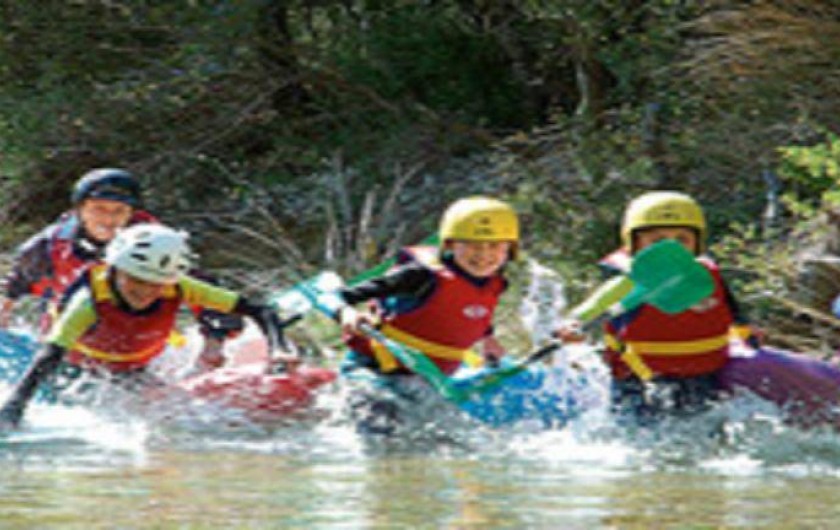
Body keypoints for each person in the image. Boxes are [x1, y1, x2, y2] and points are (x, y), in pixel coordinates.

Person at [0, 223, 291, 428]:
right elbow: (50, 354)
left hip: (136, 371)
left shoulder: (178, 286)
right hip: (79, 374)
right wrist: (14, 407)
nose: (145, 292)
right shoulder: (88, 301)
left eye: (156, 284)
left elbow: (260, 310)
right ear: (114, 269)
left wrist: (279, 348)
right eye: (136, 281)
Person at [555, 191, 755, 424]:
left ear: (697, 244)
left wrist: (748, 336)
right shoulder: (629, 280)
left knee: (704, 433)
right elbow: (595, 305)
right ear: (634, 244)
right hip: (639, 379)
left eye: (682, 240)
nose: (670, 250)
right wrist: (574, 324)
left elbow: (735, 313)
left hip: (704, 374)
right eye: (657, 241)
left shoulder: (705, 275)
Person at [0, 167, 242, 358]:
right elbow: (17, 282)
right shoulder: (49, 245)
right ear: (80, 210)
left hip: (138, 347)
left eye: (118, 211)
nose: (108, 219)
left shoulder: (159, 245)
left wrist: (213, 345)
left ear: (131, 214)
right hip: (69, 344)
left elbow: (208, 293)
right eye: (98, 209)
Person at [335, 196, 518, 434]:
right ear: (451, 245)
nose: (484, 255)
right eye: (473, 245)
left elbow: (469, 311)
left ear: (509, 249)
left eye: (494, 246)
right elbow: (339, 295)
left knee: (450, 441)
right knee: (381, 434)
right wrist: (346, 313)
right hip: (375, 371)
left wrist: (489, 339)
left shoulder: (496, 282)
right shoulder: (419, 276)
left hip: (427, 378)